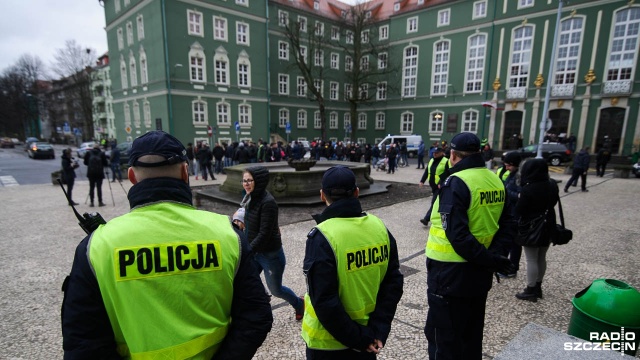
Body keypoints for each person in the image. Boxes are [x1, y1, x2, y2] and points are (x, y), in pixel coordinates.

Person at [61, 131, 273, 359]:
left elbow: (83, 344)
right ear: (185, 172)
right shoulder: (227, 234)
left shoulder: (97, 247)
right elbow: (256, 316)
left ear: (132, 176)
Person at [424, 132, 515, 360]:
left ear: (453, 155)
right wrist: (494, 257)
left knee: (442, 337)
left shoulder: (456, 182)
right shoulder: (495, 179)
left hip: (449, 273)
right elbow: (508, 225)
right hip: (480, 272)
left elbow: (458, 235)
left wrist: (489, 259)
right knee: (471, 335)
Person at [302, 166, 404, 359]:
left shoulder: (322, 236)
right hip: (369, 338)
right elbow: (393, 283)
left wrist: (360, 339)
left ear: (322, 195)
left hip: (327, 345)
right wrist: (378, 329)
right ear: (357, 192)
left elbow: (324, 301)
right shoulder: (379, 227)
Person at [241, 166, 304, 320]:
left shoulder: (268, 203)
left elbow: (264, 234)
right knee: (246, 280)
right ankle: (261, 300)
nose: (246, 184)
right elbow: (248, 221)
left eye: (250, 180)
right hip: (255, 251)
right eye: (244, 180)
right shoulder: (249, 197)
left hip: (270, 256)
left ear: (259, 181)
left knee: (277, 290)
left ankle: (299, 304)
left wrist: (247, 250)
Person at [514, 158, 559, 301]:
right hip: (548, 224)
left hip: (532, 227)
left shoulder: (528, 188)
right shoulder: (552, 184)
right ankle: (538, 286)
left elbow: (519, 210)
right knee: (541, 257)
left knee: (531, 258)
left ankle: (530, 288)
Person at [497, 152, 523, 278]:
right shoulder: (512, 174)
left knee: (515, 244)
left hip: (516, 213)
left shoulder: (520, 176)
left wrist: (506, 192)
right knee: (507, 240)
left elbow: (520, 195)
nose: (506, 168)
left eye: (508, 165)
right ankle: (505, 265)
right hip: (509, 213)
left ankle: (512, 268)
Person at [418, 147, 449, 226]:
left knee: (434, 202)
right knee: (438, 202)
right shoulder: (431, 160)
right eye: (434, 153)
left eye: (437, 153)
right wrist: (422, 181)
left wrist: (441, 182)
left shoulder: (446, 161)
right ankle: (443, 216)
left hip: (440, 186)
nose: (435, 154)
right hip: (433, 186)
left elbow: (447, 173)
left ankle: (426, 219)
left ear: (442, 152)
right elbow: (426, 171)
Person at [83, 143, 108, 207]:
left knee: (91, 187)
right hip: (99, 173)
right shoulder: (101, 153)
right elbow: (105, 163)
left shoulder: (89, 153)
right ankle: (100, 202)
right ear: (98, 147)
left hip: (91, 173)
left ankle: (92, 202)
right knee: (99, 188)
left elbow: (85, 162)